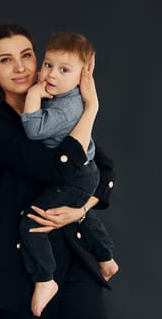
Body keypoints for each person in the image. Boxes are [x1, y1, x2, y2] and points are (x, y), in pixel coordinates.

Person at [0, 23, 116, 319]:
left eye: (27, 55)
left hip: (74, 254)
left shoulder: (58, 109)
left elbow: (104, 169)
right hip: (20, 267)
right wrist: (91, 109)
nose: (20, 67)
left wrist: (81, 209)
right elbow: (60, 170)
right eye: (5, 60)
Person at [20, 32, 118, 316]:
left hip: (75, 176)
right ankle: (106, 257)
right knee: (80, 213)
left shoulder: (68, 108)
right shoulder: (67, 96)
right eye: (48, 64)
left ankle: (44, 279)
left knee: (31, 221)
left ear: (84, 76)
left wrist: (34, 94)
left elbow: (33, 130)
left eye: (64, 70)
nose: (51, 74)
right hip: (85, 174)